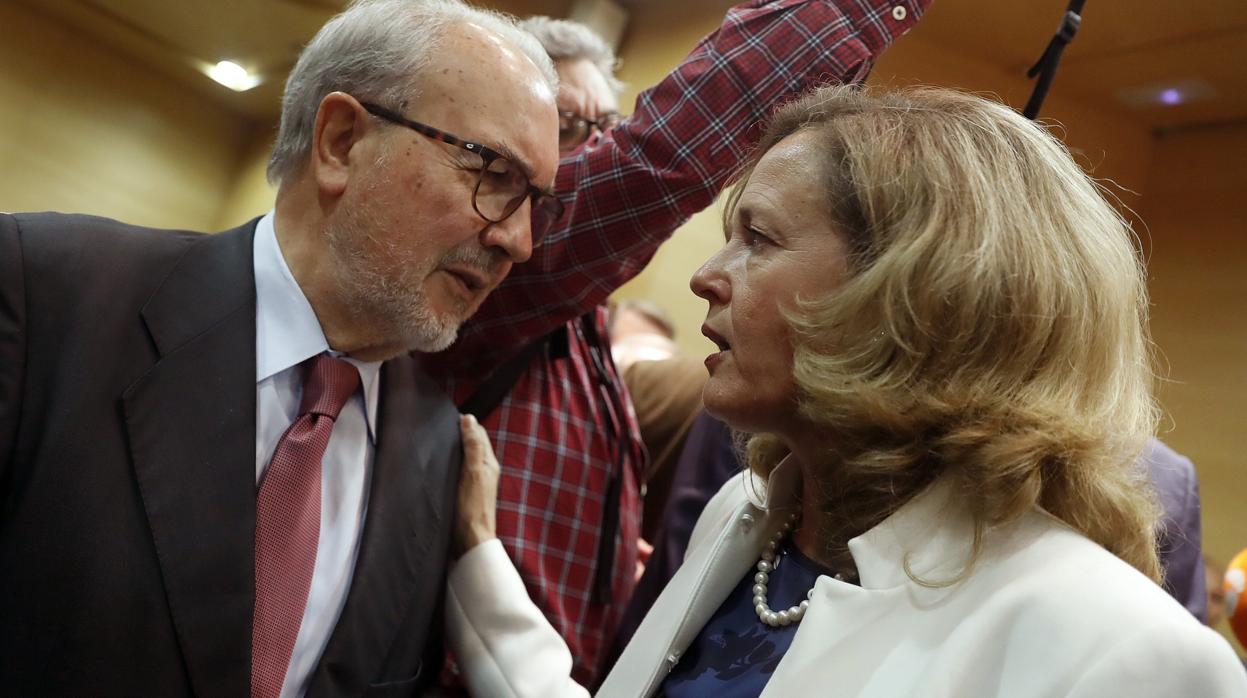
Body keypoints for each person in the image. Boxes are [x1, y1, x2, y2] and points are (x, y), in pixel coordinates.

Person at [446, 84, 1247, 696]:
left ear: (914, 296)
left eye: (756, 239)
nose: (703, 276)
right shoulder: (750, 514)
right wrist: (478, 557)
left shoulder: (1126, 652)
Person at [0, 1, 563, 695]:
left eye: (537, 199)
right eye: (491, 171)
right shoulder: (45, 292)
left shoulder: (437, 445)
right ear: (341, 141)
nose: (520, 240)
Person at [425, 1, 932, 686]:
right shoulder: (477, 291)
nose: (593, 151)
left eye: (605, 126)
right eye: (566, 127)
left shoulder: (584, 340)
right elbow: (653, 156)